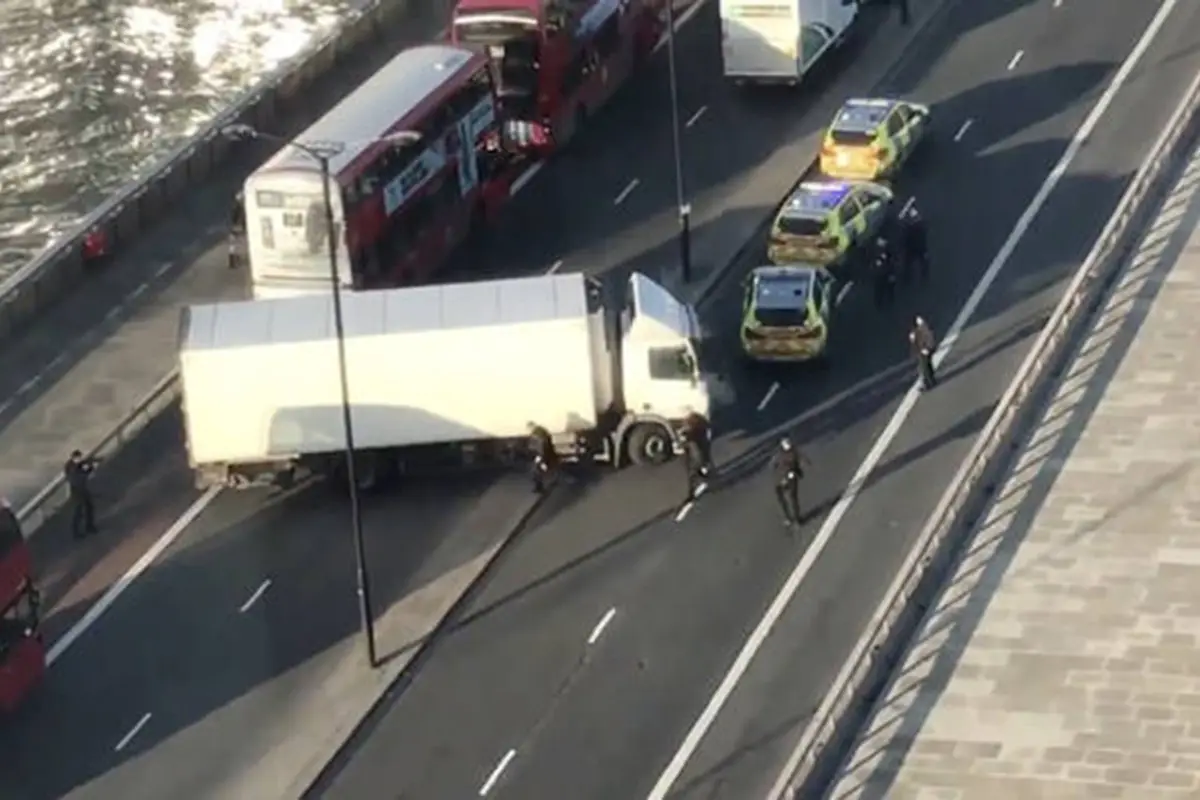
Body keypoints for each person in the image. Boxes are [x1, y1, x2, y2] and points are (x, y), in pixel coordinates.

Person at [770, 437, 806, 528]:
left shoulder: (792, 453)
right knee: (787, 498)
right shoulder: (780, 455)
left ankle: (794, 518)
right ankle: (790, 518)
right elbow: (773, 465)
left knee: (791, 497)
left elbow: (800, 460)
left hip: (787, 477)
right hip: (783, 478)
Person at [64, 450, 99, 538]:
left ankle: (89, 526)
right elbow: (78, 478)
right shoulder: (72, 468)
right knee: (78, 512)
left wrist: (89, 468)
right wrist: (89, 471)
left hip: (83, 490)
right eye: (78, 458)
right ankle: (76, 533)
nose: (80, 459)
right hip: (77, 492)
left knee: (89, 507)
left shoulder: (75, 465)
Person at [682, 410, 715, 500]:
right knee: (695, 467)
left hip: (696, 444)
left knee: (699, 464)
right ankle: (693, 490)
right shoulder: (694, 424)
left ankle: (705, 475)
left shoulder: (697, 423)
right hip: (694, 445)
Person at [901, 205, 930, 285]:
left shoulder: (910, 227)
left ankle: (907, 278)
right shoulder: (919, 227)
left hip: (913, 247)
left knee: (909, 263)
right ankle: (923, 276)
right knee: (922, 261)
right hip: (918, 247)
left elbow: (905, 237)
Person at [909, 316, 938, 390]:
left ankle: (928, 383)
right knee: (927, 365)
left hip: (924, 350)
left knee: (924, 367)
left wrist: (926, 348)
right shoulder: (923, 328)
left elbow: (922, 340)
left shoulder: (922, 330)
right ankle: (931, 381)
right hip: (924, 350)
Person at [527, 422, 556, 494]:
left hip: (540, 455)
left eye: (529, 428)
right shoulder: (539, 432)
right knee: (538, 471)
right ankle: (539, 486)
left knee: (536, 471)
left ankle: (540, 487)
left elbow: (540, 445)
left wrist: (539, 456)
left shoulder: (537, 434)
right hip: (541, 455)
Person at [871, 236, 897, 309]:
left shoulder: (886, 252)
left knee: (886, 289)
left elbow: (891, 262)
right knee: (881, 290)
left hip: (884, 273)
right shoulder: (878, 254)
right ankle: (880, 303)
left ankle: (885, 301)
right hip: (881, 274)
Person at [228, 192, 246, 269]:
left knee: (234, 244)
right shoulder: (239, 208)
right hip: (237, 227)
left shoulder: (235, 207)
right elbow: (238, 218)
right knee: (236, 244)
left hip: (235, 227)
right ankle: (233, 260)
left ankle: (233, 259)